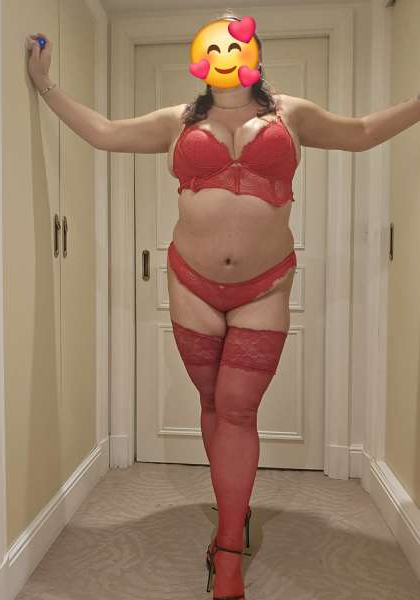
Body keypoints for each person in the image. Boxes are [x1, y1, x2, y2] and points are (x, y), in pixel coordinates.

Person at [26, 12, 420, 600]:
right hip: (191, 283)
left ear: (255, 54)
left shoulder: (291, 114)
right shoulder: (177, 122)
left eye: (235, 45)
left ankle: (229, 549)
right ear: (199, 58)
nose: (224, 56)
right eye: (213, 48)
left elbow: (361, 131)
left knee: (236, 409)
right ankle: (232, 512)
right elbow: (104, 132)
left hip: (265, 284)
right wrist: (45, 84)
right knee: (212, 403)